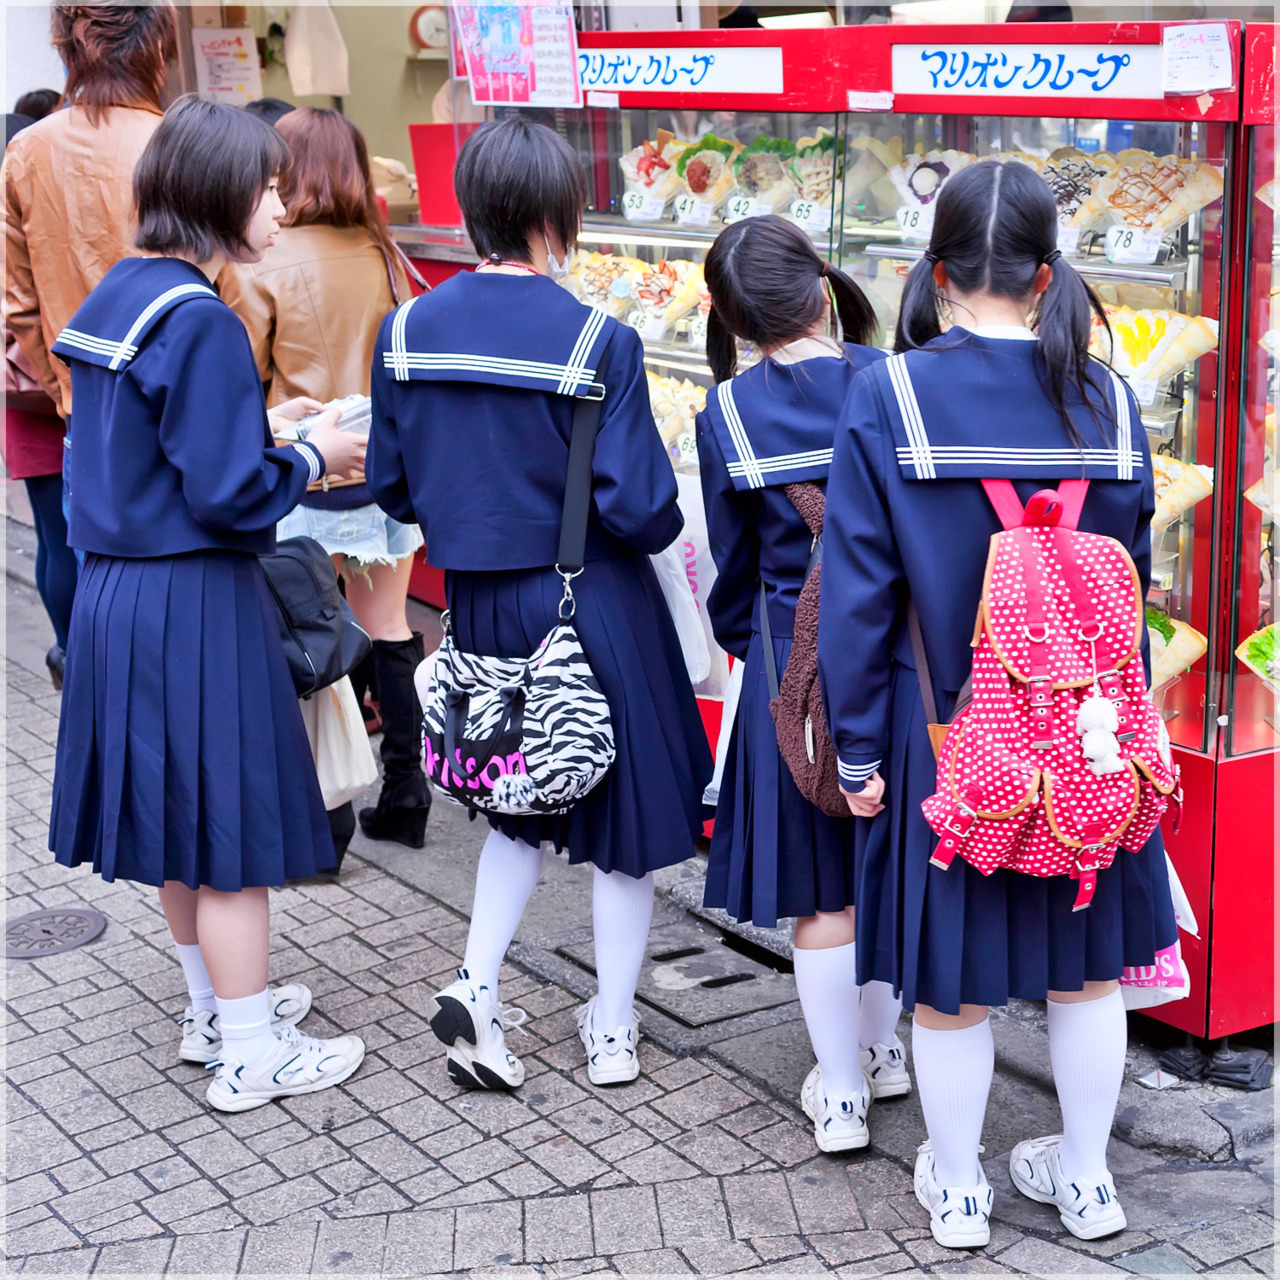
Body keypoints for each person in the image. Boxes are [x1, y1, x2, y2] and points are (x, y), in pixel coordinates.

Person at [819, 161, 1176, 1247]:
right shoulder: (1106, 394)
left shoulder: (887, 390)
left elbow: (856, 591)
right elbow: (1134, 578)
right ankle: (1085, 1180)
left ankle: (962, 1189)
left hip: (944, 735)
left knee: (950, 987)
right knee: (1085, 975)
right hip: (1085, 733)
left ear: (932, 271)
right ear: (1044, 274)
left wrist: (854, 753)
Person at [366, 116, 713, 1091]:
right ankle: (609, 1026)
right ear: (555, 216)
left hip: (476, 609)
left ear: (471, 209)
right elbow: (642, 512)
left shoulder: (406, 330)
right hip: (589, 605)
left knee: (515, 809)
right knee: (621, 835)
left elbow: (394, 493)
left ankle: (474, 987)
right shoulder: (599, 338)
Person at [48, 97, 370, 1113]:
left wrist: (265, 420)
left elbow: (154, 444)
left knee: (175, 821)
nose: (278, 202)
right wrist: (313, 453)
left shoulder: (122, 292)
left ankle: (214, 1008)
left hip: (113, 590)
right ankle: (249, 1050)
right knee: (228, 830)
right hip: (191, 595)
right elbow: (228, 493)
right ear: (221, 193)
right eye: (268, 185)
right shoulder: (200, 317)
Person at [695, 214, 907, 1156]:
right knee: (889, 863)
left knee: (823, 895)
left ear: (734, 321)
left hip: (793, 656)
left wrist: (747, 634)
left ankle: (844, 1091)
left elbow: (730, 567)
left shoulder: (726, 415)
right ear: (824, 288)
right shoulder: (891, 381)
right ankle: (889, 1046)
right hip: (901, 652)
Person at [221, 107, 430, 852]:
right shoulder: (379, 251)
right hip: (380, 464)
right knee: (391, 629)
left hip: (305, 470)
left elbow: (241, 382)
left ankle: (330, 818)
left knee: (313, 632)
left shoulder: (259, 268)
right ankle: (408, 793)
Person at [4, 112, 75, 686]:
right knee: (70, 536)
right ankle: (82, 657)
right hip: (56, 386)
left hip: (21, 395)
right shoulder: (41, 220)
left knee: (52, 534)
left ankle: (66, 651)